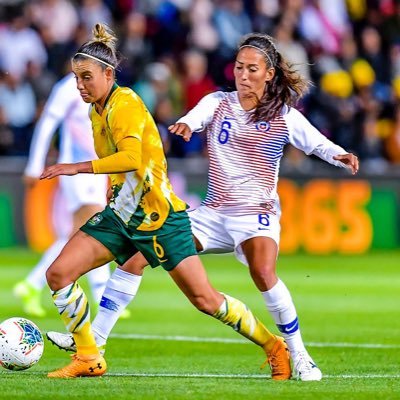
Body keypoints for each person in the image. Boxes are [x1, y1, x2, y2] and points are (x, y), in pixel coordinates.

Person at [47, 32, 359, 381]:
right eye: (239, 67)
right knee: (136, 259)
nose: (243, 75)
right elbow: (196, 116)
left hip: (256, 214)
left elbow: (316, 143)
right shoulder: (218, 102)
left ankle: (297, 354)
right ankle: (93, 345)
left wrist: (338, 155)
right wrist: (186, 125)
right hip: (212, 214)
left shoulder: (285, 117)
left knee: (262, 273)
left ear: (269, 73)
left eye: (251, 69)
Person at [13, 72, 112, 317]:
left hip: (96, 168)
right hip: (76, 168)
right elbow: (48, 123)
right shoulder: (69, 87)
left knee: (83, 232)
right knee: (96, 227)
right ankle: (102, 296)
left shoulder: (104, 85)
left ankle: (31, 285)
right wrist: (34, 165)